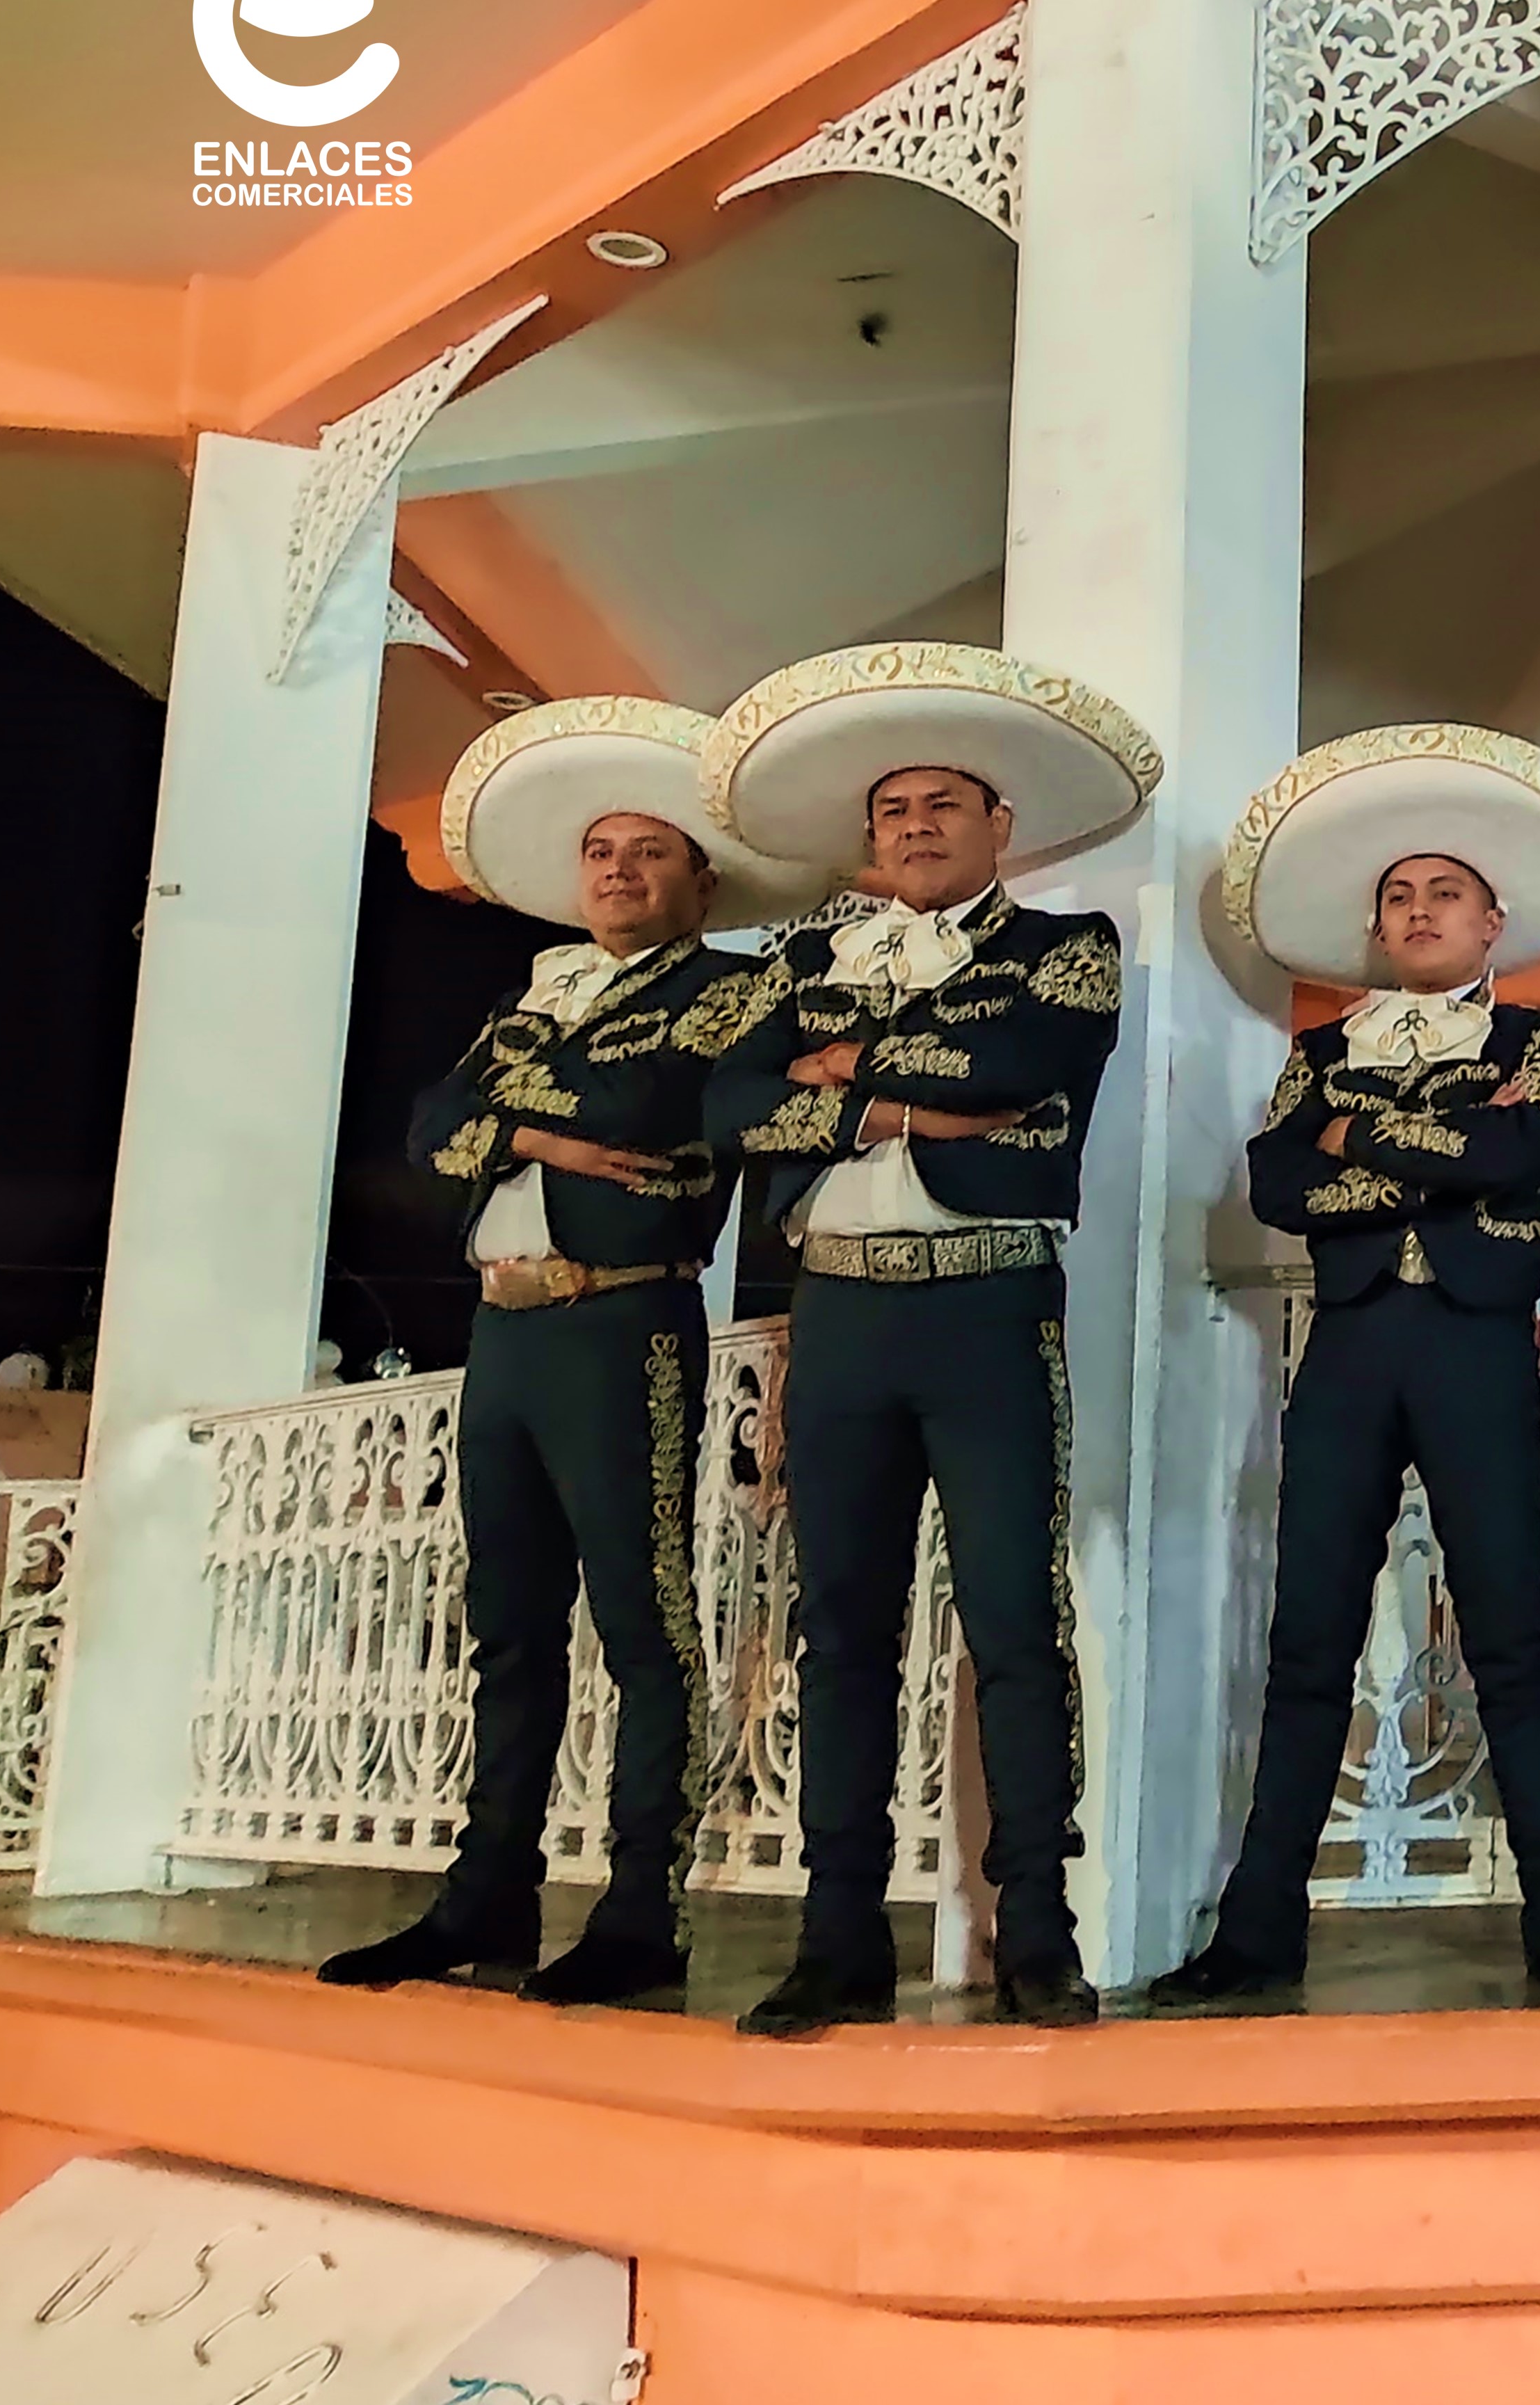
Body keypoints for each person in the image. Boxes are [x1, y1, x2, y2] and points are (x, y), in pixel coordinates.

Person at [330, 698, 829, 2009]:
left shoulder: (733, 988)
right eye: (602, 852)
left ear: (700, 880)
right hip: (506, 1325)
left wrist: (509, 1113)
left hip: (623, 1320)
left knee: (642, 1620)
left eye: (648, 852)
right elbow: (427, 1131)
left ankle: (640, 1909)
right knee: (507, 1623)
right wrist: (538, 1138)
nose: (618, 870)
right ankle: (484, 1891)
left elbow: (644, 1107)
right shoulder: (538, 990)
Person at [699, 643, 1158, 2034]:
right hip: (838, 1308)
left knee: (1016, 1620)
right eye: (894, 809)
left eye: (944, 804)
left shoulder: (1067, 950)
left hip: (988, 1300)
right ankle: (836, 1936)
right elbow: (725, 1104)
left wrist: (840, 1068)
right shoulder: (804, 956)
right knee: (843, 1628)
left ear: (998, 823)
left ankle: (1039, 1932)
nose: (915, 826)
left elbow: (1025, 1067)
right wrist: (908, 1104)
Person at [1153, 725, 1540, 2009]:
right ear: (1377, 926)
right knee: (1309, 1641)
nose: (1420, 910)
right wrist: (1437, 1143)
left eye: (1446, 892)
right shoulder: (1323, 1051)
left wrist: (1360, 1140)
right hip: (1352, 1350)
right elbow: (1279, 1182)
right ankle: (1259, 1933)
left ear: (1492, 922)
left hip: (1478, 1347)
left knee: (1511, 1641)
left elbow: (1521, 1155)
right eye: (1400, 895)